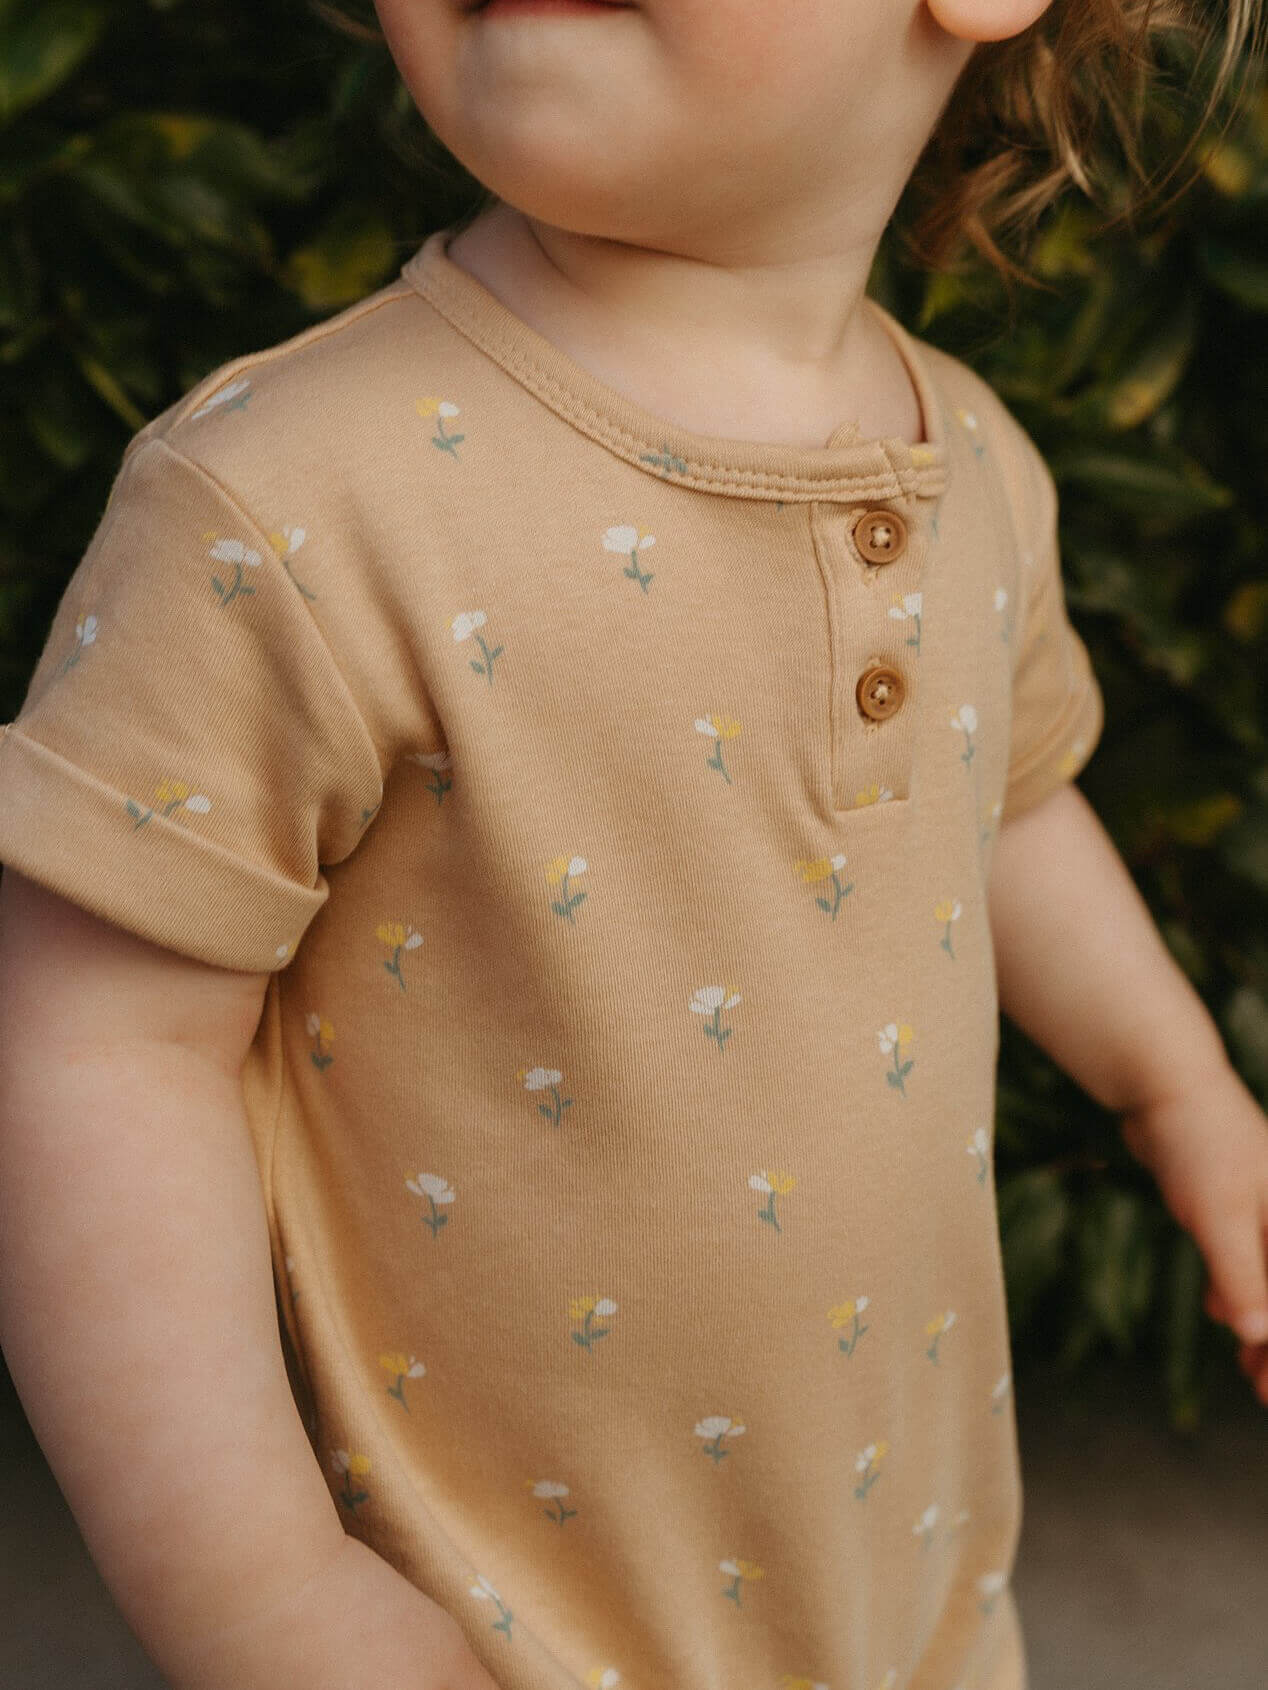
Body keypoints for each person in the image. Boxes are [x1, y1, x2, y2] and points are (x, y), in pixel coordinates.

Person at [0, 1, 1265, 1687]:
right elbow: (91, 1052)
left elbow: (1006, 806)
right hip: (503, 1640)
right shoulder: (288, 502)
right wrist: (267, 1593)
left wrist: (1185, 1091)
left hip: (916, 1600)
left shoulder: (972, 462)